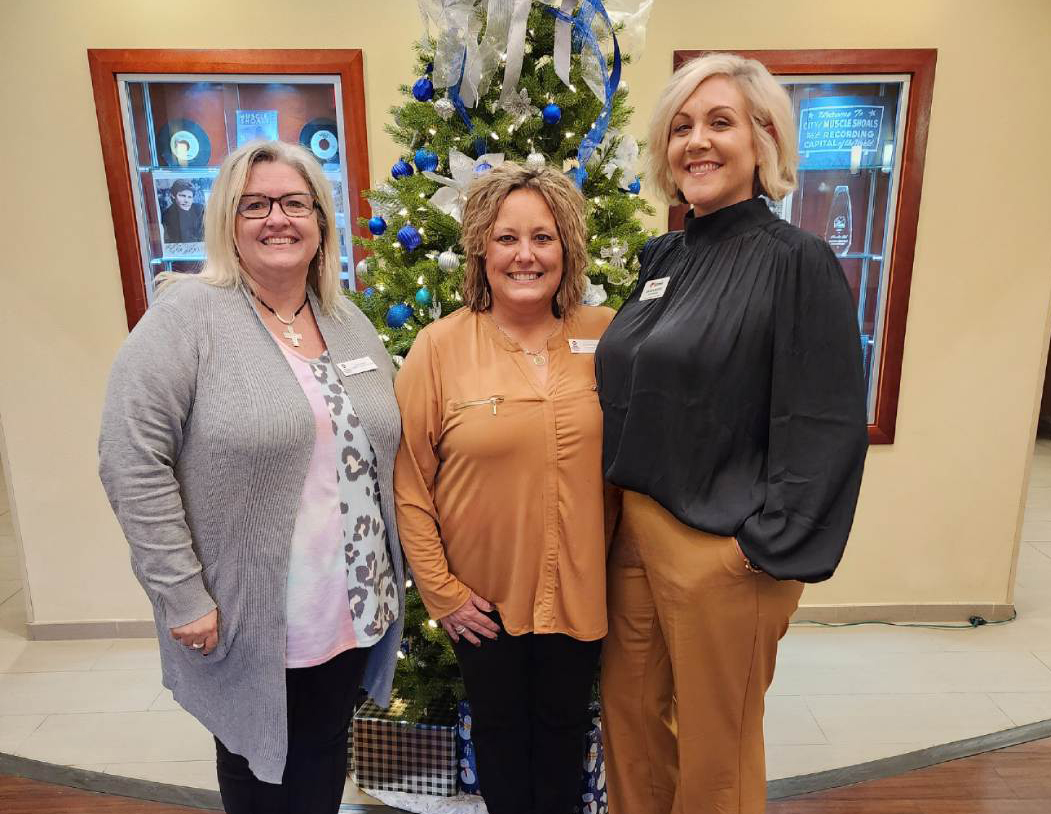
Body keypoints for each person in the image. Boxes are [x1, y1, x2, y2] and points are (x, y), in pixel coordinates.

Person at [595, 53, 869, 814]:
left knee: (716, 758)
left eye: (720, 122)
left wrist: (760, 550)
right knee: (631, 732)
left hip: (723, 551)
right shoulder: (666, 257)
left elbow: (824, 420)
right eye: (681, 127)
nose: (696, 142)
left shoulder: (798, 263)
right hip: (634, 533)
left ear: (764, 141)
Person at [99, 140, 405, 814]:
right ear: (227, 222)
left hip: (350, 606)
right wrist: (181, 593)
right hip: (253, 616)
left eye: (296, 203)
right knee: (260, 775)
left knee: (324, 755)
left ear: (321, 221)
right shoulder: (187, 317)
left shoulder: (346, 320)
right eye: (255, 205)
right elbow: (129, 456)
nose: (278, 219)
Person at [394, 163, 613, 814]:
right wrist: (444, 593)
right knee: (500, 737)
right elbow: (409, 482)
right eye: (507, 238)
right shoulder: (439, 348)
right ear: (481, 249)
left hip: (579, 593)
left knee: (563, 734)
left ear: (566, 249)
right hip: (483, 605)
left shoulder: (606, 335)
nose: (526, 255)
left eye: (543, 238)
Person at [162, 178, 206, 243]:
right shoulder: (168, 214)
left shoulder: (200, 209)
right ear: (174, 196)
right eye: (182, 196)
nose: (186, 200)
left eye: (189, 197)